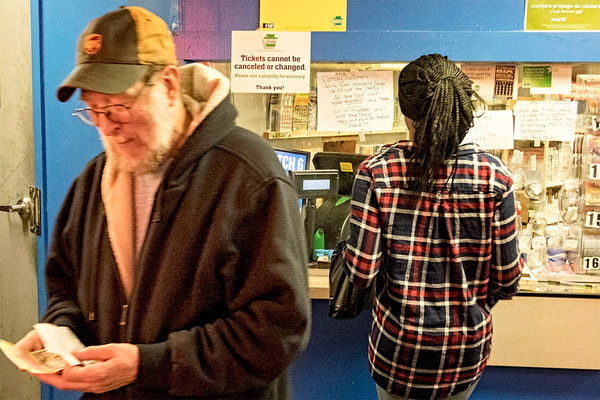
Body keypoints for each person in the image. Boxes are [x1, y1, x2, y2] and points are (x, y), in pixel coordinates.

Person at [14, 6, 310, 399]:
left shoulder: (249, 176)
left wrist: (147, 365)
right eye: (94, 110)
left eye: (120, 106)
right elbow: (66, 287)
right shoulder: (93, 182)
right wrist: (58, 336)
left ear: (169, 85)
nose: (107, 126)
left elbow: (276, 331)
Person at [344, 54, 524, 400]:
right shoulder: (495, 176)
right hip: (464, 352)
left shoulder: (376, 172)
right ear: (461, 104)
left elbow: (362, 273)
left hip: (397, 350)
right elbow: (507, 280)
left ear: (405, 112)